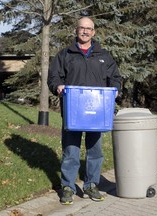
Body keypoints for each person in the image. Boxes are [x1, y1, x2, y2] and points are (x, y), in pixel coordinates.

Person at [47, 17, 122, 205]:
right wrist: (57, 86)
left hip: (97, 113)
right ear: (76, 30)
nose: (85, 31)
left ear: (93, 32)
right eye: (82, 28)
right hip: (73, 111)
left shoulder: (104, 55)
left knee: (95, 151)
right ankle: (67, 187)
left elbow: (115, 77)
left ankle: (91, 185)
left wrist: (115, 90)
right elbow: (54, 76)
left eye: (89, 29)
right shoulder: (65, 54)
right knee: (71, 151)